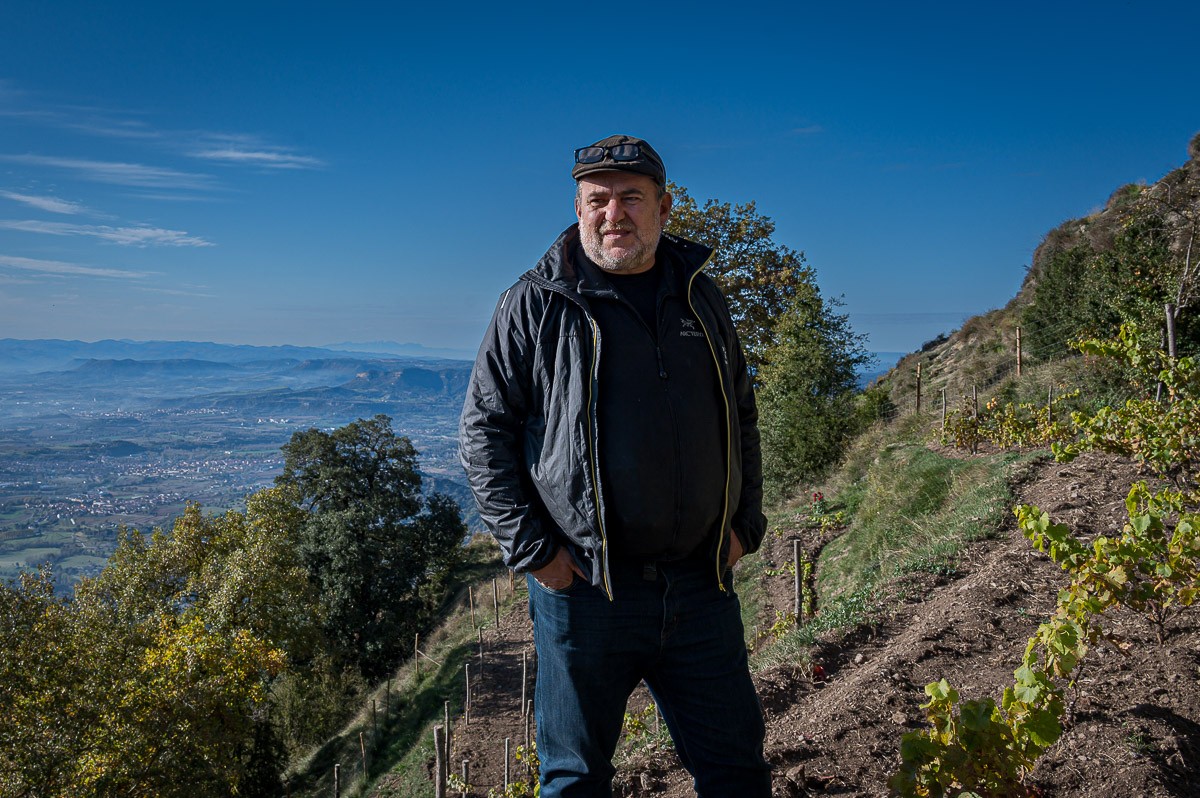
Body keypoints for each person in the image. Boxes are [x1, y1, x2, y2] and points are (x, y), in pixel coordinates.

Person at [459, 134, 771, 797]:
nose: (614, 214)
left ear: (664, 207)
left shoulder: (701, 297)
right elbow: (484, 432)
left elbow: (740, 413)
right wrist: (535, 554)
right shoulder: (536, 303)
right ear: (578, 208)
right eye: (598, 199)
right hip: (586, 593)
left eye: (632, 198)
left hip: (699, 587)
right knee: (574, 782)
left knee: (738, 772)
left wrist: (746, 523)